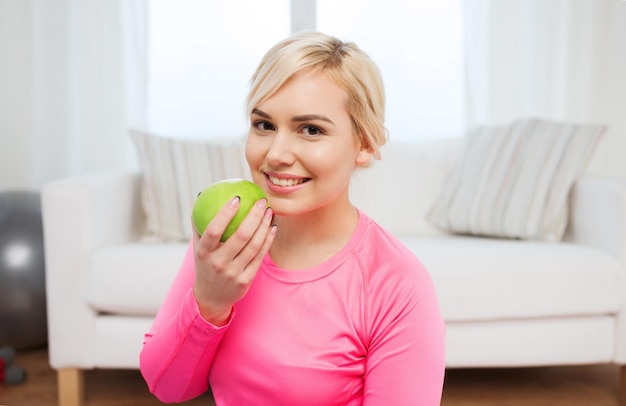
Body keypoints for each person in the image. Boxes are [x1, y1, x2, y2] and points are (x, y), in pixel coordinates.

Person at [140, 31, 446, 405]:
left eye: (311, 130)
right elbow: (167, 386)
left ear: (364, 144)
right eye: (264, 125)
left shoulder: (397, 285)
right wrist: (209, 302)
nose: (277, 154)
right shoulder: (228, 242)